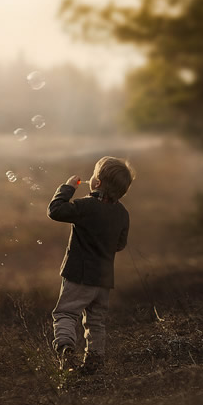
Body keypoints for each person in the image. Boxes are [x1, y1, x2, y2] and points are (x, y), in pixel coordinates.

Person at [47, 156, 135, 374]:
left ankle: (66, 348)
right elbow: (120, 245)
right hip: (104, 280)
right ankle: (95, 360)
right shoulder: (123, 214)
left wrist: (67, 187)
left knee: (66, 314)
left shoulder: (85, 206)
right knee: (96, 322)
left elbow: (55, 210)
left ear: (96, 183)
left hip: (79, 275)